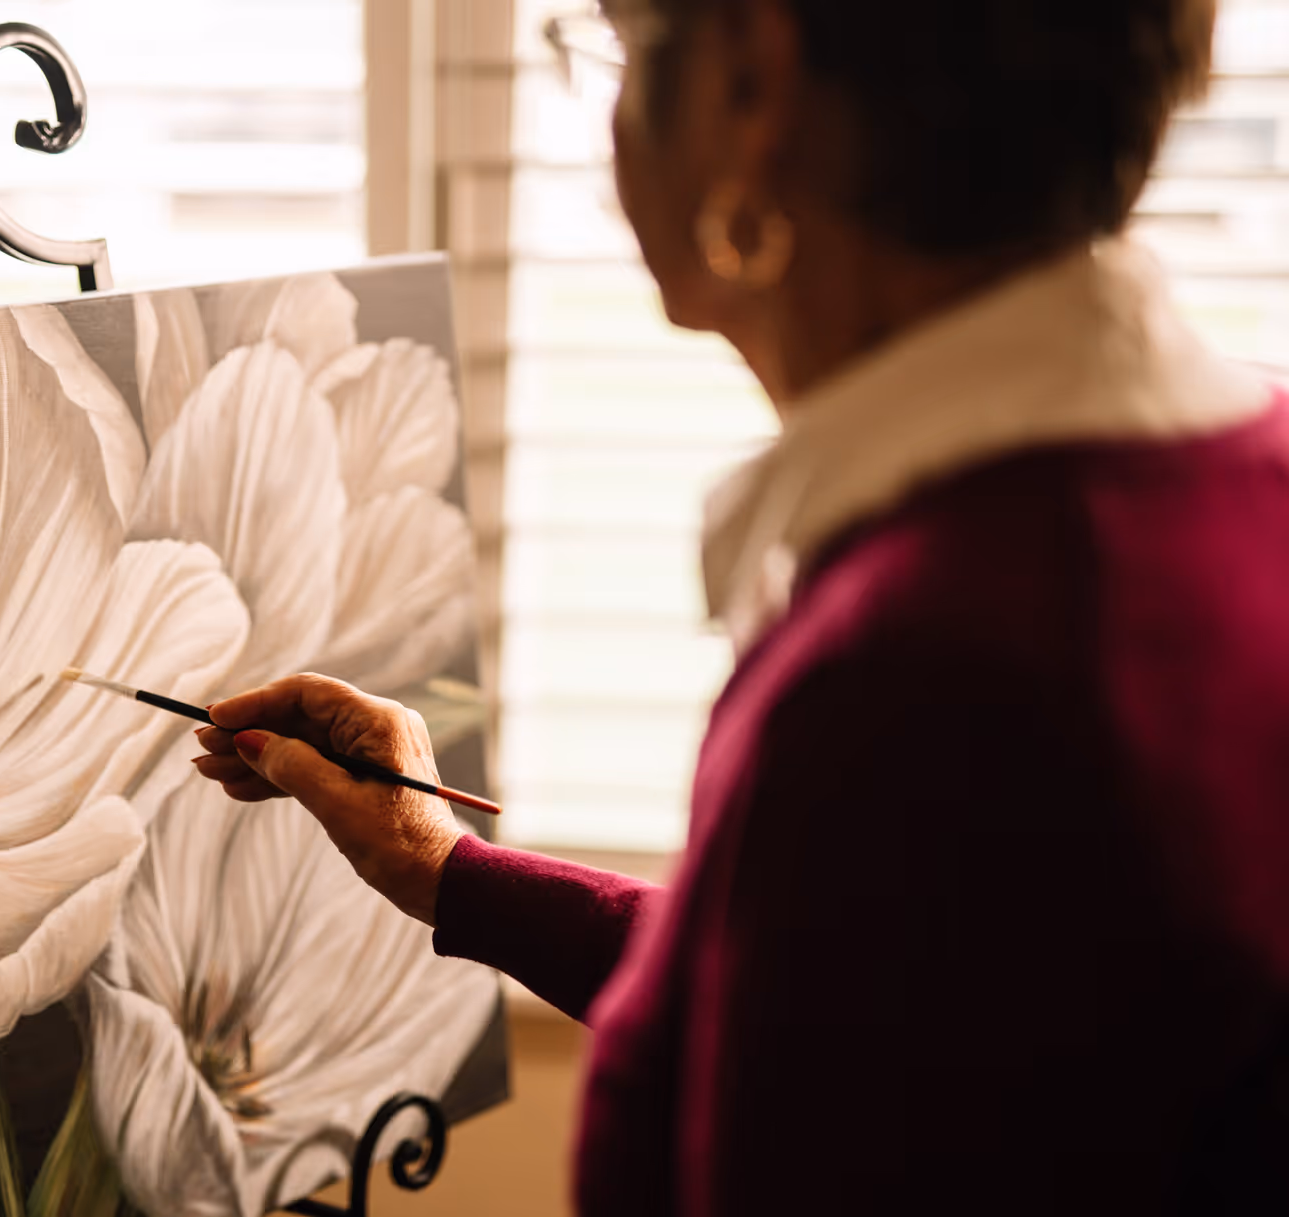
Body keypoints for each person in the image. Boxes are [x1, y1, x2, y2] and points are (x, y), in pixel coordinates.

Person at [190, 0, 1289, 1212]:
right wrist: (449, 871)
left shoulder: (926, 668)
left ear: (749, 85)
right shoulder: (1237, 475)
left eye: (614, 42)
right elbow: (881, 1006)